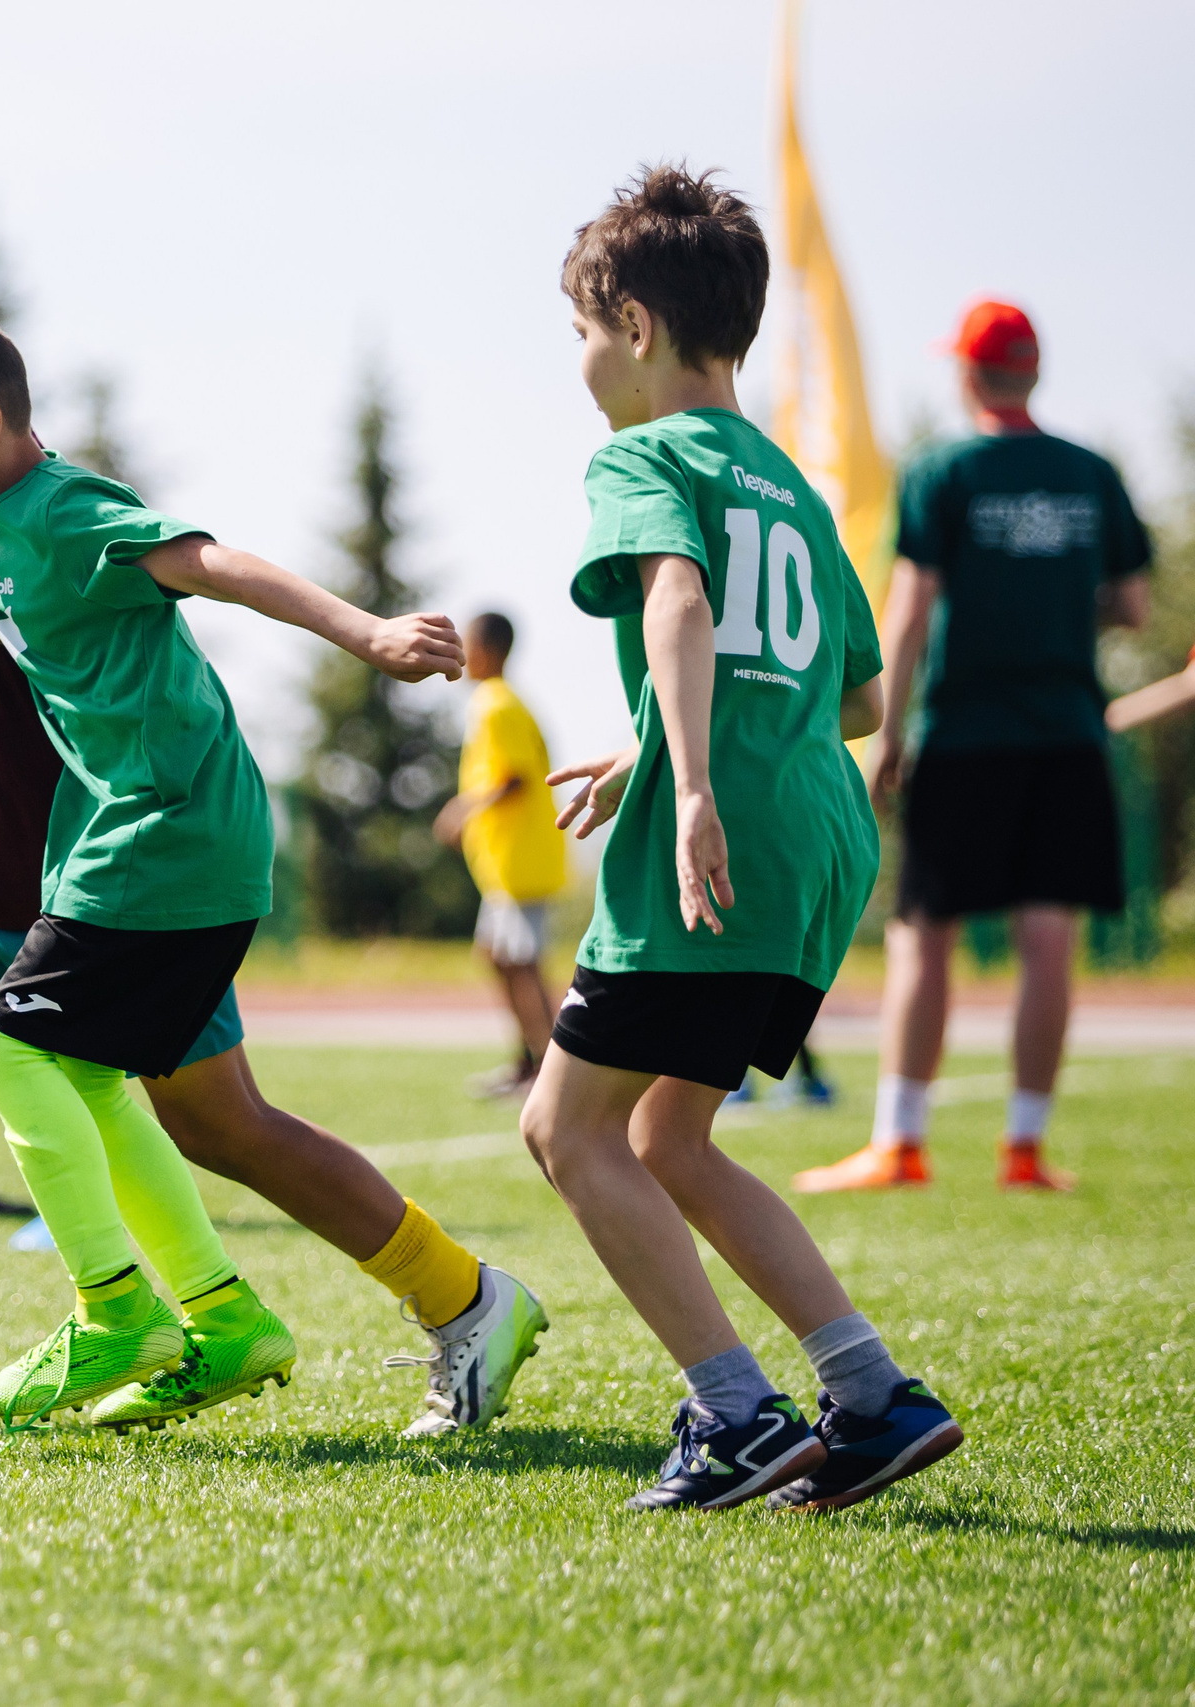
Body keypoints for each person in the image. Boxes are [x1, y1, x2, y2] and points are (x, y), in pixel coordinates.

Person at [0, 259, 546, 1439]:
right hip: (36, 868)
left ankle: (192, 1310)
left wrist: (365, 630)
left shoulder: (53, 506)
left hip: (138, 848)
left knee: (185, 1111)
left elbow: (205, 565)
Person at [522, 165, 959, 1512]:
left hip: (722, 835)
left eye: (583, 332)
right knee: (669, 1134)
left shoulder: (640, 456)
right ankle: (874, 1395)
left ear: (636, 324)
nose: (582, 361)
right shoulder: (789, 479)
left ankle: (736, 1412)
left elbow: (679, 601)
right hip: (819, 836)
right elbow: (859, 695)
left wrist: (691, 781)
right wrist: (667, 746)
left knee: (565, 1127)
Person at [795, 299, 1152, 1195]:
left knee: (925, 936)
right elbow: (1133, 605)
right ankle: (1024, 1149)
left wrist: (887, 735)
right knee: (1048, 938)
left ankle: (899, 1140)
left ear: (967, 375)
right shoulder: (1092, 473)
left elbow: (910, 612)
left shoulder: (943, 472)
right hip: (1068, 734)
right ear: (1034, 372)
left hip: (965, 735)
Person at [431, 611, 566, 1098]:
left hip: (520, 861)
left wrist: (463, 808)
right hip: (505, 863)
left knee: (522, 962)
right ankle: (529, 1060)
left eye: (467, 644)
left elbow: (515, 778)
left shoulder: (496, 704)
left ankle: (554, 1072)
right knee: (497, 956)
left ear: (486, 650)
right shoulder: (502, 702)